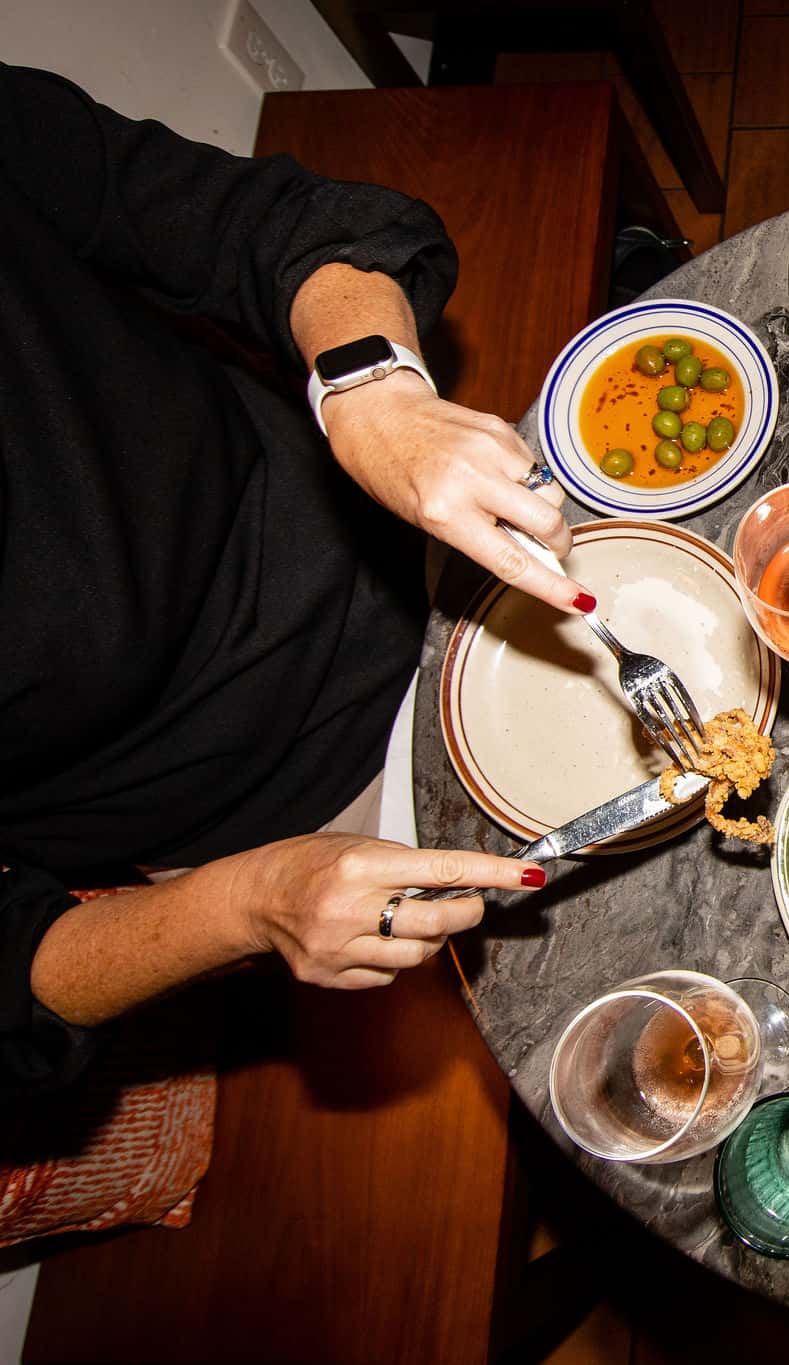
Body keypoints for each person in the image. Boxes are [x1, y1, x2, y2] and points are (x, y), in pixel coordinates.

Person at [0, 64, 597, 1094]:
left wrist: (371, 392)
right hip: (295, 798)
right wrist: (256, 903)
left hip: (403, 515)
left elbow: (274, 225)